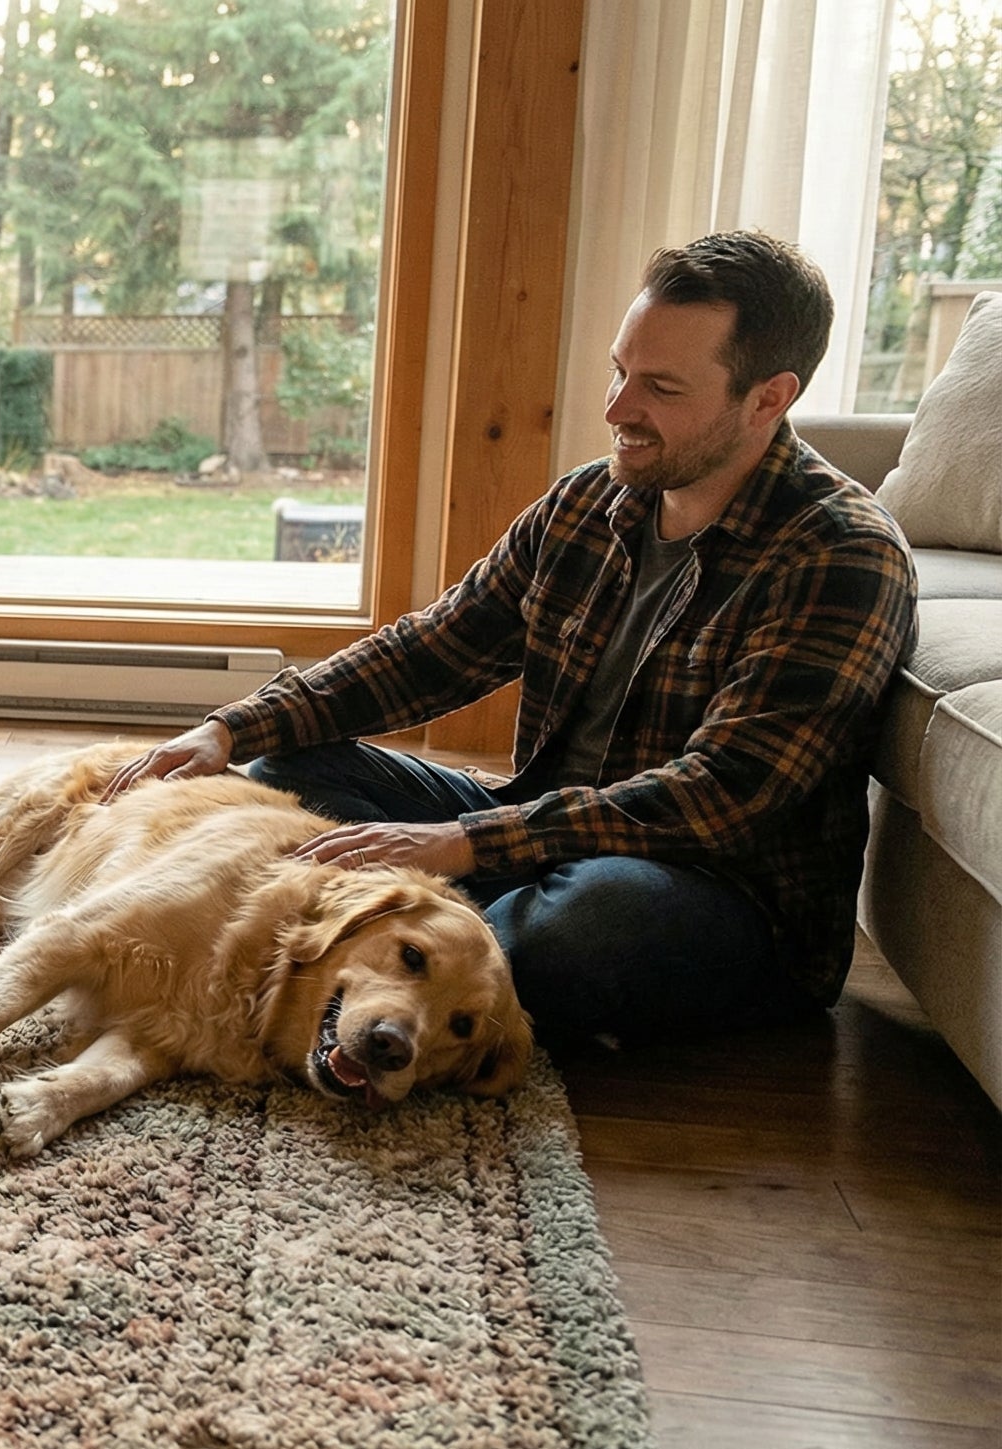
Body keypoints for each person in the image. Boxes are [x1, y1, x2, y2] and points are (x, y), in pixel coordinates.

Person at [106, 232, 918, 1049]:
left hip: (713, 893)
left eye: (660, 388)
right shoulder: (586, 505)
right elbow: (434, 650)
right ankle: (443, 959)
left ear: (768, 399)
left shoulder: (841, 553)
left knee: (585, 928)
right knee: (292, 770)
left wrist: (462, 843)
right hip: (536, 836)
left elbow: (723, 795)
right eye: (619, 371)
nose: (616, 410)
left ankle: (406, 950)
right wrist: (231, 728)